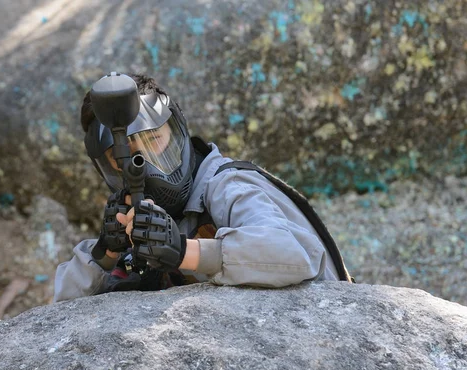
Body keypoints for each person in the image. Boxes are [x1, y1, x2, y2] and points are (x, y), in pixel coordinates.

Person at [54, 73, 352, 302]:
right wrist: (105, 252)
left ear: (178, 131)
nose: (145, 165)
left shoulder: (229, 185)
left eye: (153, 141)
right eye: (124, 157)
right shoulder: (137, 220)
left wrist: (185, 251)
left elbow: (293, 254)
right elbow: (58, 314)